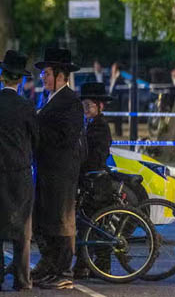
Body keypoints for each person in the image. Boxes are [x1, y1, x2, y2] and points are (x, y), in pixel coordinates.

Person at [0, 50, 39, 292]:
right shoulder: (26, 107)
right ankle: (22, 280)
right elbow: (36, 138)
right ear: (20, 80)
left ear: (1, 76)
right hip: (21, 174)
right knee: (22, 232)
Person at [32, 48, 85, 290]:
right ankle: (51, 266)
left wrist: (39, 132)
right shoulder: (50, 98)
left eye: (47, 73)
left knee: (62, 222)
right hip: (47, 170)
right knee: (47, 220)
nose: (43, 77)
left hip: (61, 172)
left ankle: (64, 271)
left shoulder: (70, 101)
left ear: (61, 75)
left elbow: (68, 136)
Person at [73, 81, 114, 279]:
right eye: (84, 106)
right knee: (88, 225)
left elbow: (96, 157)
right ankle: (86, 264)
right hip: (90, 182)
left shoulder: (100, 127)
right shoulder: (90, 125)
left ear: (100, 106)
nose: (86, 109)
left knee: (93, 225)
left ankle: (99, 264)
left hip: (97, 183)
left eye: (89, 106)